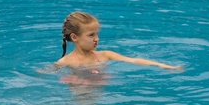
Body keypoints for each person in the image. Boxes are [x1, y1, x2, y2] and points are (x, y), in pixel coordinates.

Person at [52, 12, 184, 79]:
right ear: (74, 37)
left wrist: (159, 65)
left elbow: (133, 60)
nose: (96, 39)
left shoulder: (105, 55)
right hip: (80, 94)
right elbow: (47, 73)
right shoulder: (66, 61)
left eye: (97, 34)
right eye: (91, 35)